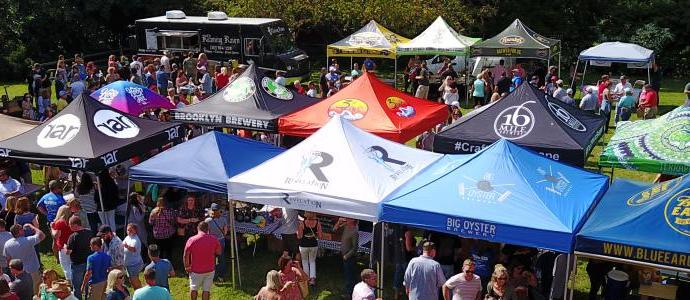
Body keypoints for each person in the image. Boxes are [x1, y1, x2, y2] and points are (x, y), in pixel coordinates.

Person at [4, 224, 44, 296]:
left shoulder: (7, 244)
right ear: (19, 231)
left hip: (18, 273)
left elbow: (8, 260)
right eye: (22, 229)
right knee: (36, 292)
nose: (23, 230)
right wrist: (32, 226)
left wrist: (12, 271)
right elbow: (42, 235)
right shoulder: (28, 240)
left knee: (24, 293)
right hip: (33, 271)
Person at [184, 222, 221, 300]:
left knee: (193, 288)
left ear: (198, 228)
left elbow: (186, 255)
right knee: (206, 290)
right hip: (210, 269)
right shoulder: (214, 239)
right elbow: (219, 252)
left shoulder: (192, 239)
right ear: (208, 229)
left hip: (196, 270)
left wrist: (187, 266)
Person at [65, 216, 93, 300]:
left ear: (75, 225)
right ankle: (88, 297)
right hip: (89, 263)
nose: (69, 227)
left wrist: (65, 247)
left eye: (70, 225)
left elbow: (68, 252)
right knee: (88, 283)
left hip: (77, 264)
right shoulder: (90, 232)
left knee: (77, 286)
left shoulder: (73, 237)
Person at [334, 217, 359, 297]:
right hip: (344, 255)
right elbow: (334, 230)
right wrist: (338, 222)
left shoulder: (354, 232)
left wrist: (346, 256)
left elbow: (355, 248)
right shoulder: (345, 226)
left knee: (350, 276)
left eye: (348, 218)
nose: (346, 219)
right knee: (348, 274)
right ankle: (350, 291)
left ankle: (350, 293)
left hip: (349, 257)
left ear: (353, 220)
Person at [204, 203, 228, 281]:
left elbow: (206, 233)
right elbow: (226, 230)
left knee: (212, 259)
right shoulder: (223, 219)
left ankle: (212, 276)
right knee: (222, 258)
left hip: (211, 242)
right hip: (221, 240)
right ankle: (221, 275)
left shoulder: (208, 220)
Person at [297, 212, 321, 286]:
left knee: (304, 262)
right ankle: (312, 279)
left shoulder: (302, 223)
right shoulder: (317, 223)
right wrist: (315, 235)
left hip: (303, 245)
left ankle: (306, 278)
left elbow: (299, 236)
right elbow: (320, 236)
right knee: (312, 261)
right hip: (313, 245)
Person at [51, 206, 75, 281]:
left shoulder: (60, 222)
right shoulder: (72, 220)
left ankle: (70, 282)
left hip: (63, 246)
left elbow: (56, 235)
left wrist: (52, 228)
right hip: (73, 245)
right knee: (72, 264)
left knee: (66, 266)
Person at [122, 224, 143, 290]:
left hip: (134, 264)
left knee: (135, 281)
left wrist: (127, 246)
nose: (129, 231)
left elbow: (133, 249)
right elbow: (122, 245)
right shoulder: (127, 237)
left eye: (131, 230)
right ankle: (138, 292)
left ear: (135, 231)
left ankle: (140, 293)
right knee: (132, 280)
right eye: (128, 230)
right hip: (128, 264)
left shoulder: (136, 240)